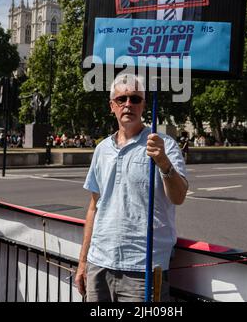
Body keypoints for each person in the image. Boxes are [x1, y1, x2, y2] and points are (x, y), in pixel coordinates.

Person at [75, 73, 188, 302]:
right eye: (122, 99)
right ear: (112, 106)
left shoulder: (164, 145)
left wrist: (164, 162)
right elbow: (94, 207)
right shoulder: (102, 149)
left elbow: (178, 197)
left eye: (135, 99)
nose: (128, 104)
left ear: (143, 105)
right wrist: (83, 261)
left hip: (143, 269)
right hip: (99, 264)